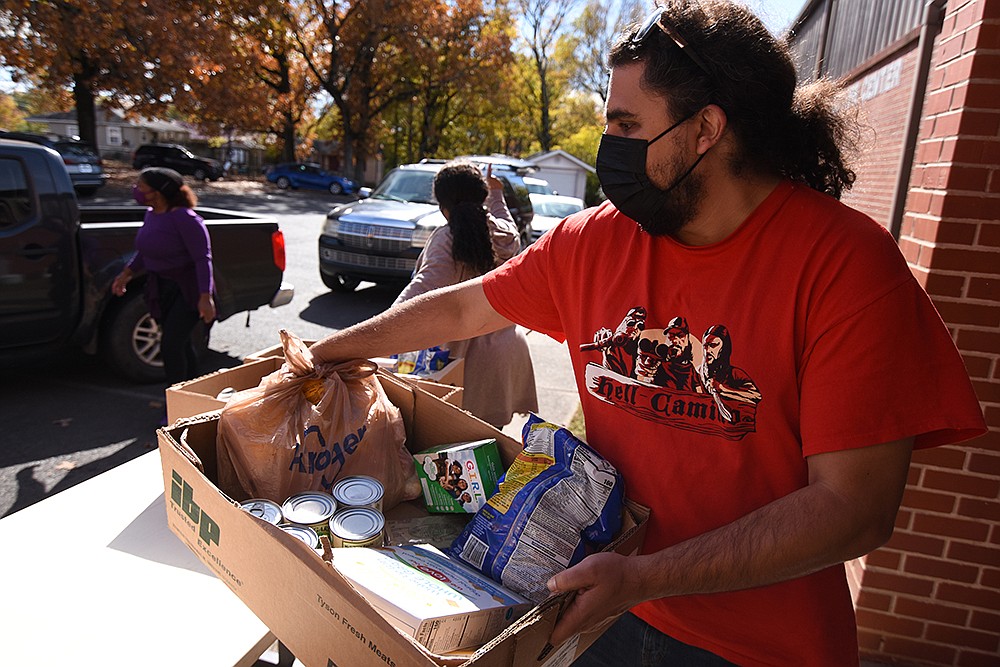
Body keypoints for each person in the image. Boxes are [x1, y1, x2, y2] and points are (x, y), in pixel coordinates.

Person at [307, 1, 986, 664]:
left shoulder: (846, 265)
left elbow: (855, 506)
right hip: (604, 610)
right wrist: (324, 351)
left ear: (706, 128)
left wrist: (647, 576)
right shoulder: (594, 241)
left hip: (757, 642)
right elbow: (463, 311)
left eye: (628, 124)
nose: (611, 148)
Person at [391, 160, 537, 429]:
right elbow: (507, 221)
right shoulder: (504, 235)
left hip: (465, 362)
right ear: (481, 197)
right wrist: (496, 192)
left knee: (460, 441)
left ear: (442, 206)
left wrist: (380, 326)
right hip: (506, 352)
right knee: (492, 442)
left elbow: (422, 289)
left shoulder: (448, 238)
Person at [112, 168, 215, 408]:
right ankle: (193, 399)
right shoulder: (152, 215)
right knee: (181, 343)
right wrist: (126, 274)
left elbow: (203, 259)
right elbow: (146, 250)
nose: (136, 190)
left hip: (187, 290)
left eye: (141, 186)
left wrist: (205, 296)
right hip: (161, 287)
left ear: (157, 192)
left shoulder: (185, 218)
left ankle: (177, 405)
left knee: (170, 345)